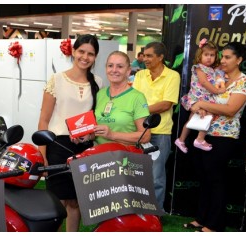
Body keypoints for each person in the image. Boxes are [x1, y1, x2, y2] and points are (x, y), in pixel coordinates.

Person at [37, 34, 102, 232]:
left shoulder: (98, 81)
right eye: (81, 51)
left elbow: (96, 117)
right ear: (73, 52)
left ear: (95, 57)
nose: (85, 57)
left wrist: (90, 137)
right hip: (57, 145)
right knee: (57, 202)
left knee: (76, 201)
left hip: (84, 147)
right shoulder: (56, 80)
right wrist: (42, 155)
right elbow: (44, 120)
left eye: (90, 53)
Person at [184, 42, 246, 232]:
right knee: (203, 177)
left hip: (224, 135)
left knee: (215, 178)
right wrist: (196, 103)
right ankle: (201, 219)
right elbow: (197, 93)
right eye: (222, 56)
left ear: (239, 60)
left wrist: (201, 103)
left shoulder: (243, 81)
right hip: (203, 132)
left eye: (228, 57)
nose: (222, 60)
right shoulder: (218, 75)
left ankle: (215, 224)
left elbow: (231, 109)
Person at [132, 42, 180, 211]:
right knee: (137, 174)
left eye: (149, 55)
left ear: (161, 57)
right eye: (144, 55)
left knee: (156, 177)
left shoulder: (173, 76)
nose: (145, 59)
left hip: (160, 134)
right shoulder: (140, 75)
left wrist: (140, 109)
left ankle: (155, 214)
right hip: (138, 133)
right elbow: (134, 100)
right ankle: (137, 210)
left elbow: (165, 105)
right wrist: (138, 109)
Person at [175, 39, 225, 153]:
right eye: (206, 54)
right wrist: (217, 91)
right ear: (200, 55)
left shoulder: (212, 69)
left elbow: (219, 69)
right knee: (210, 115)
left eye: (212, 55)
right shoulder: (199, 68)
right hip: (198, 98)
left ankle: (181, 139)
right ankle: (200, 138)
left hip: (203, 98)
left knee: (192, 120)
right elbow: (204, 82)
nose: (209, 58)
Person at [92, 51, 150, 145]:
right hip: (100, 155)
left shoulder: (137, 97)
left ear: (128, 71)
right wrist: (87, 135)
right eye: (110, 65)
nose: (114, 70)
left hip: (124, 156)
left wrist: (112, 135)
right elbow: (96, 129)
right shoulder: (100, 94)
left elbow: (145, 136)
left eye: (120, 66)